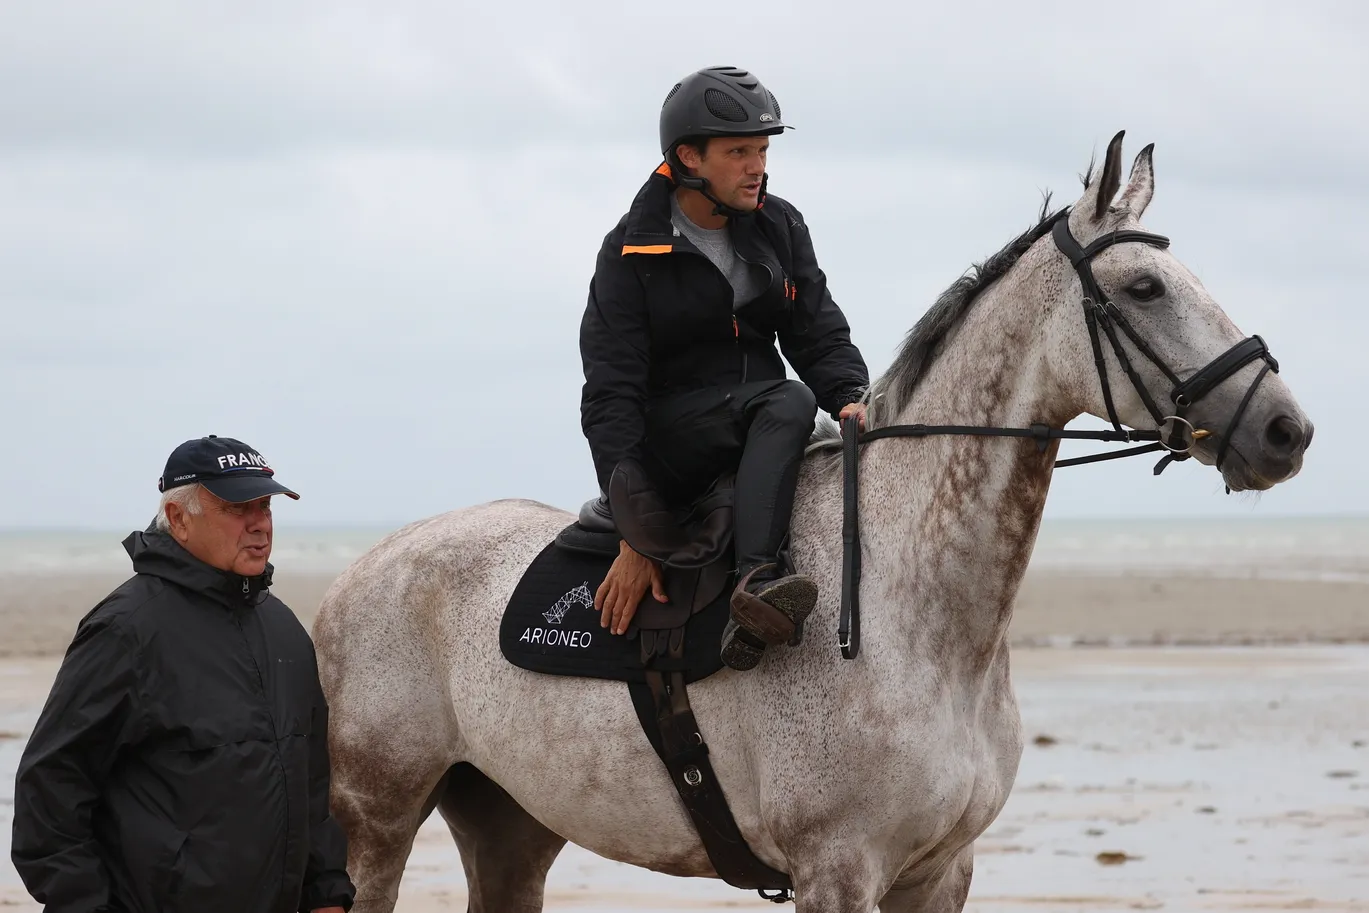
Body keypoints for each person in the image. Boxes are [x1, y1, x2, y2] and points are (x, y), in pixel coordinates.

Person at [579, 65, 871, 670]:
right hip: (672, 439)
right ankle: (758, 582)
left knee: (801, 410)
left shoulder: (780, 223)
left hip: (754, 421)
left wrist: (850, 394)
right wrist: (640, 533)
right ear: (689, 157)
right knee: (787, 400)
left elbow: (815, 327)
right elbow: (611, 397)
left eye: (762, 150)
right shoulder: (629, 252)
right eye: (738, 151)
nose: (757, 166)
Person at [11, 435, 356, 913]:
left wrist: (326, 895)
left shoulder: (285, 630)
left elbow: (312, 785)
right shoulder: (126, 630)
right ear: (178, 519)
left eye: (265, 507)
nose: (259, 525)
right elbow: (49, 792)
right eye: (238, 508)